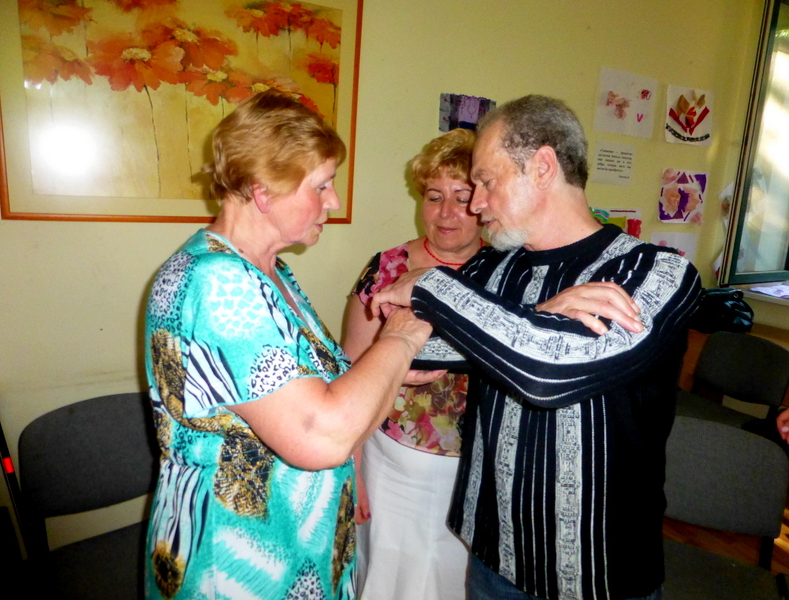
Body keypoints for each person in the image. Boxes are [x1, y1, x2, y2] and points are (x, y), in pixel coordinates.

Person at [372, 95, 702, 600]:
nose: (475, 204)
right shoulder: (491, 267)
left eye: (487, 181)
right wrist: (545, 312)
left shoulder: (655, 272)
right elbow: (415, 351)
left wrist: (430, 284)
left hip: (599, 575)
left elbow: (548, 373)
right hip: (492, 558)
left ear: (543, 167)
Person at [142, 90, 434, 600]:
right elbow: (320, 437)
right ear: (263, 192)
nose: (334, 201)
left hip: (297, 552)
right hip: (239, 564)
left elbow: (305, 389)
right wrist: (401, 337)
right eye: (321, 185)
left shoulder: (269, 272)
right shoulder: (219, 282)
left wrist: (385, 371)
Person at [341, 128, 482, 599]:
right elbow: (352, 371)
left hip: (479, 474)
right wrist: (351, 471)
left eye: (462, 198)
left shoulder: (510, 272)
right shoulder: (387, 268)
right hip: (394, 469)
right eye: (434, 196)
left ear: (485, 201)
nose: (445, 212)